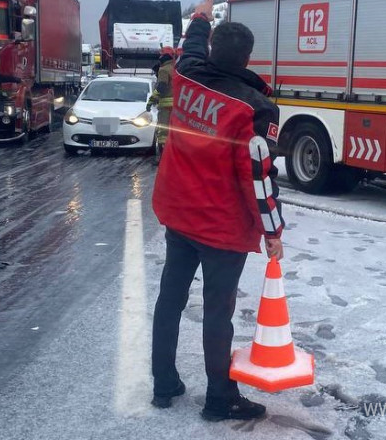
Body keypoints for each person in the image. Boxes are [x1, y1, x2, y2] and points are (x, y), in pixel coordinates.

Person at [150, 0, 286, 422]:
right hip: (221, 228)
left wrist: (203, 14)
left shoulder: (187, 73)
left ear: (211, 50)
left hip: (179, 214)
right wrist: (272, 230)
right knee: (217, 313)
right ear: (247, 59)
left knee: (169, 299)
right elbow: (258, 178)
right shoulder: (255, 109)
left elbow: (190, 42)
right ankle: (219, 398)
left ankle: (163, 383)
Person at [146, 46, 176, 164]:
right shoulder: (176, 68)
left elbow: (161, 88)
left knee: (163, 132)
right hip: (176, 107)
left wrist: (151, 101)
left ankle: (163, 159)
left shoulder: (164, 69)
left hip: (166, 107)